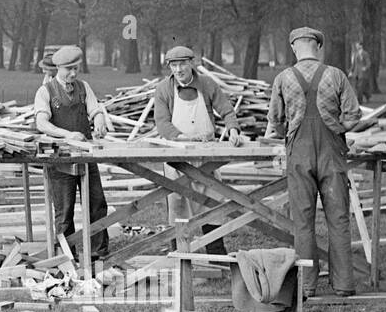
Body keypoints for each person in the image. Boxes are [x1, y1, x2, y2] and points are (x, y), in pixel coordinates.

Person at [266, 26, 361, 296]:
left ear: (294, 47)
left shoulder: (284, 78)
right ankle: (343, 285)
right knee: (339, 219)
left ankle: (307, 286)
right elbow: (353, 115)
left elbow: (274, 121)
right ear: (317, 47)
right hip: (332, 154)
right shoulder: (336, 75)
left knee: (303, 221)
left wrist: (291, 134)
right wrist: (337, 128)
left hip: (299, 154)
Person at [153, 46, 245, 256]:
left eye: (182, 64)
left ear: (191, 63)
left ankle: (216, 255)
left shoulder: (207, 84)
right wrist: (183, 138)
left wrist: (232, 129)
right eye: (174, 65)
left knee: (212, 205)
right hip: (176, 158)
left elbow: (226, 110)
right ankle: (180, 256)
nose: (178, 69)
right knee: (178, 205)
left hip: (206, 158)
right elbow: (163, 124)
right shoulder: (163, 89)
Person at [34, 45, 110, 262]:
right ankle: (67, 257)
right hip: (60, 160)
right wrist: (67, 135)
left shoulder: (84, 87)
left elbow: (95, 109)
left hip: (86, 156)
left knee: (97, 204)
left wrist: (99, 120)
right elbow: (42, 123)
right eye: (68, 69)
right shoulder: (45, 91)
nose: (73, 74)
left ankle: (99, 253)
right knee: (64, 210)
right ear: (58, 68)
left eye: (76, 68)